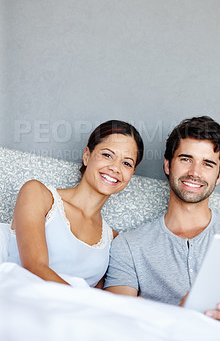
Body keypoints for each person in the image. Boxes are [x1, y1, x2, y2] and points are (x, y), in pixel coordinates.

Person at [104, 116, 220, 326]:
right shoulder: (128, 246)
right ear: (168, 165)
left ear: (219, 176)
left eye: (207, 164)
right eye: (186, 159)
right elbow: (115, 323)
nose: (194, 173)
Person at [6, 120, 144, 287]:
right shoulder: (38, 195)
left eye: (127, 163)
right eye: (107, 155)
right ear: (87, 156)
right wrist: (85, 302)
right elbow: (34, 268)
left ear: (131, 174)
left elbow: (104, 295)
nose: (115, 168)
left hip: (69, 311)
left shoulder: (114, 241)